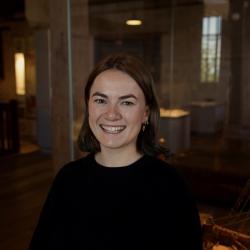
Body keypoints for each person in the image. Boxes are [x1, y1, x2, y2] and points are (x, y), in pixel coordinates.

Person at [29, 53, 203, 250]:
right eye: (101, 100)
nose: (111, 114)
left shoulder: (170, 185)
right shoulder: (68, 178)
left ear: (146, 112)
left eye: (126, 102)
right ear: (88, 106)